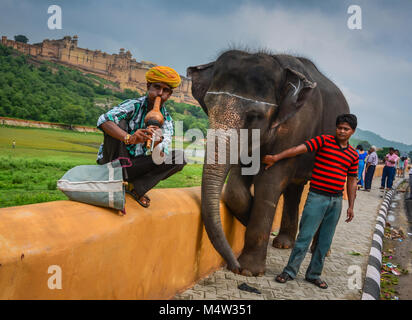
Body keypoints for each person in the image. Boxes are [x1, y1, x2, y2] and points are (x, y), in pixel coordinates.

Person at [263, 114, 359, 289]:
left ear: (352, 131)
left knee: (325, 241)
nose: (342, 131)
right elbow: (300, 149)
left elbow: (352, 180)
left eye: (346, 129)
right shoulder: (324, 141)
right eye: (339, 127)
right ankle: (289, 271)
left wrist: (351, 206)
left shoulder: (353, 155)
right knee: (304, 237)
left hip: (336, 201)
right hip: (317, 197)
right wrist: (276, 158)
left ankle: (314, 274)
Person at [96, 66, 186, 208]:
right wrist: (130, 138)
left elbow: (160, 157)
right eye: (156, 87)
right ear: (148, 86)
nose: (160, 93)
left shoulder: (167, 121)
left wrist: (156, 144)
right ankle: (114, 179)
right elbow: (103, 120)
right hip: (114, 162)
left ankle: (136, 188)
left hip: (134, 166)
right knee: (117, 122)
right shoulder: (134, 105)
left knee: (180, 157)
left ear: (169, 95)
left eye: (165, 90)